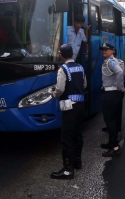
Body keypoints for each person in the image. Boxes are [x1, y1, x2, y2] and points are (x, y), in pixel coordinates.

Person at [49, 44, 87, 180]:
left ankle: (67, 170)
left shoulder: (63, 69)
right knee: (77, 134)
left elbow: (60, 89)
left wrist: (53, 94)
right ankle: (77, 162)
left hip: (69, 106)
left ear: (61, 56)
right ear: (72, 54)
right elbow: (84, 85)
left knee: (66, 138)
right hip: (81, 105)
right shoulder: (80, 67)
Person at [100, 42, 125, 157]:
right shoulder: (117, 61)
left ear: (112, 51)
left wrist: (120, 87)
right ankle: (112, 143)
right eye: (103, 49)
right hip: (114, 93)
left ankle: (114, 147)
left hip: (110, 93)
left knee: (110, 120)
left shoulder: (111, 62)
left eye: (106, 49)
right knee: (113, 119)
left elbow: (119, 72)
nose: (104, 51)